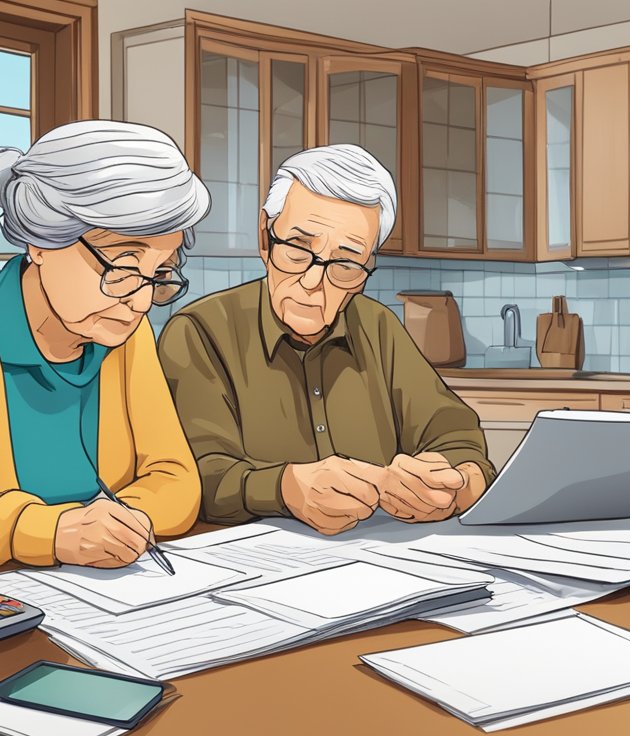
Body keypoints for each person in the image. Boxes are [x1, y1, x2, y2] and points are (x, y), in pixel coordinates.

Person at [0, 120, 208, 568]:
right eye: (123, 267)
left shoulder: (127, 338)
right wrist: (50, 532)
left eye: (160, 272)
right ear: (40, 242)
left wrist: (125, 524)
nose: (142, 301)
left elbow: (175, 479)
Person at [158, 144, 494, 536]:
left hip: (382, 563)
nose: (314, 283)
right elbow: (198, 476)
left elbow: (456, 434)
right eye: (298, 250)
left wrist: (457, 484)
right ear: (265, 239)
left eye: (346, 264)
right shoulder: (199, 331)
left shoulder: (379, 326)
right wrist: (285, 489)